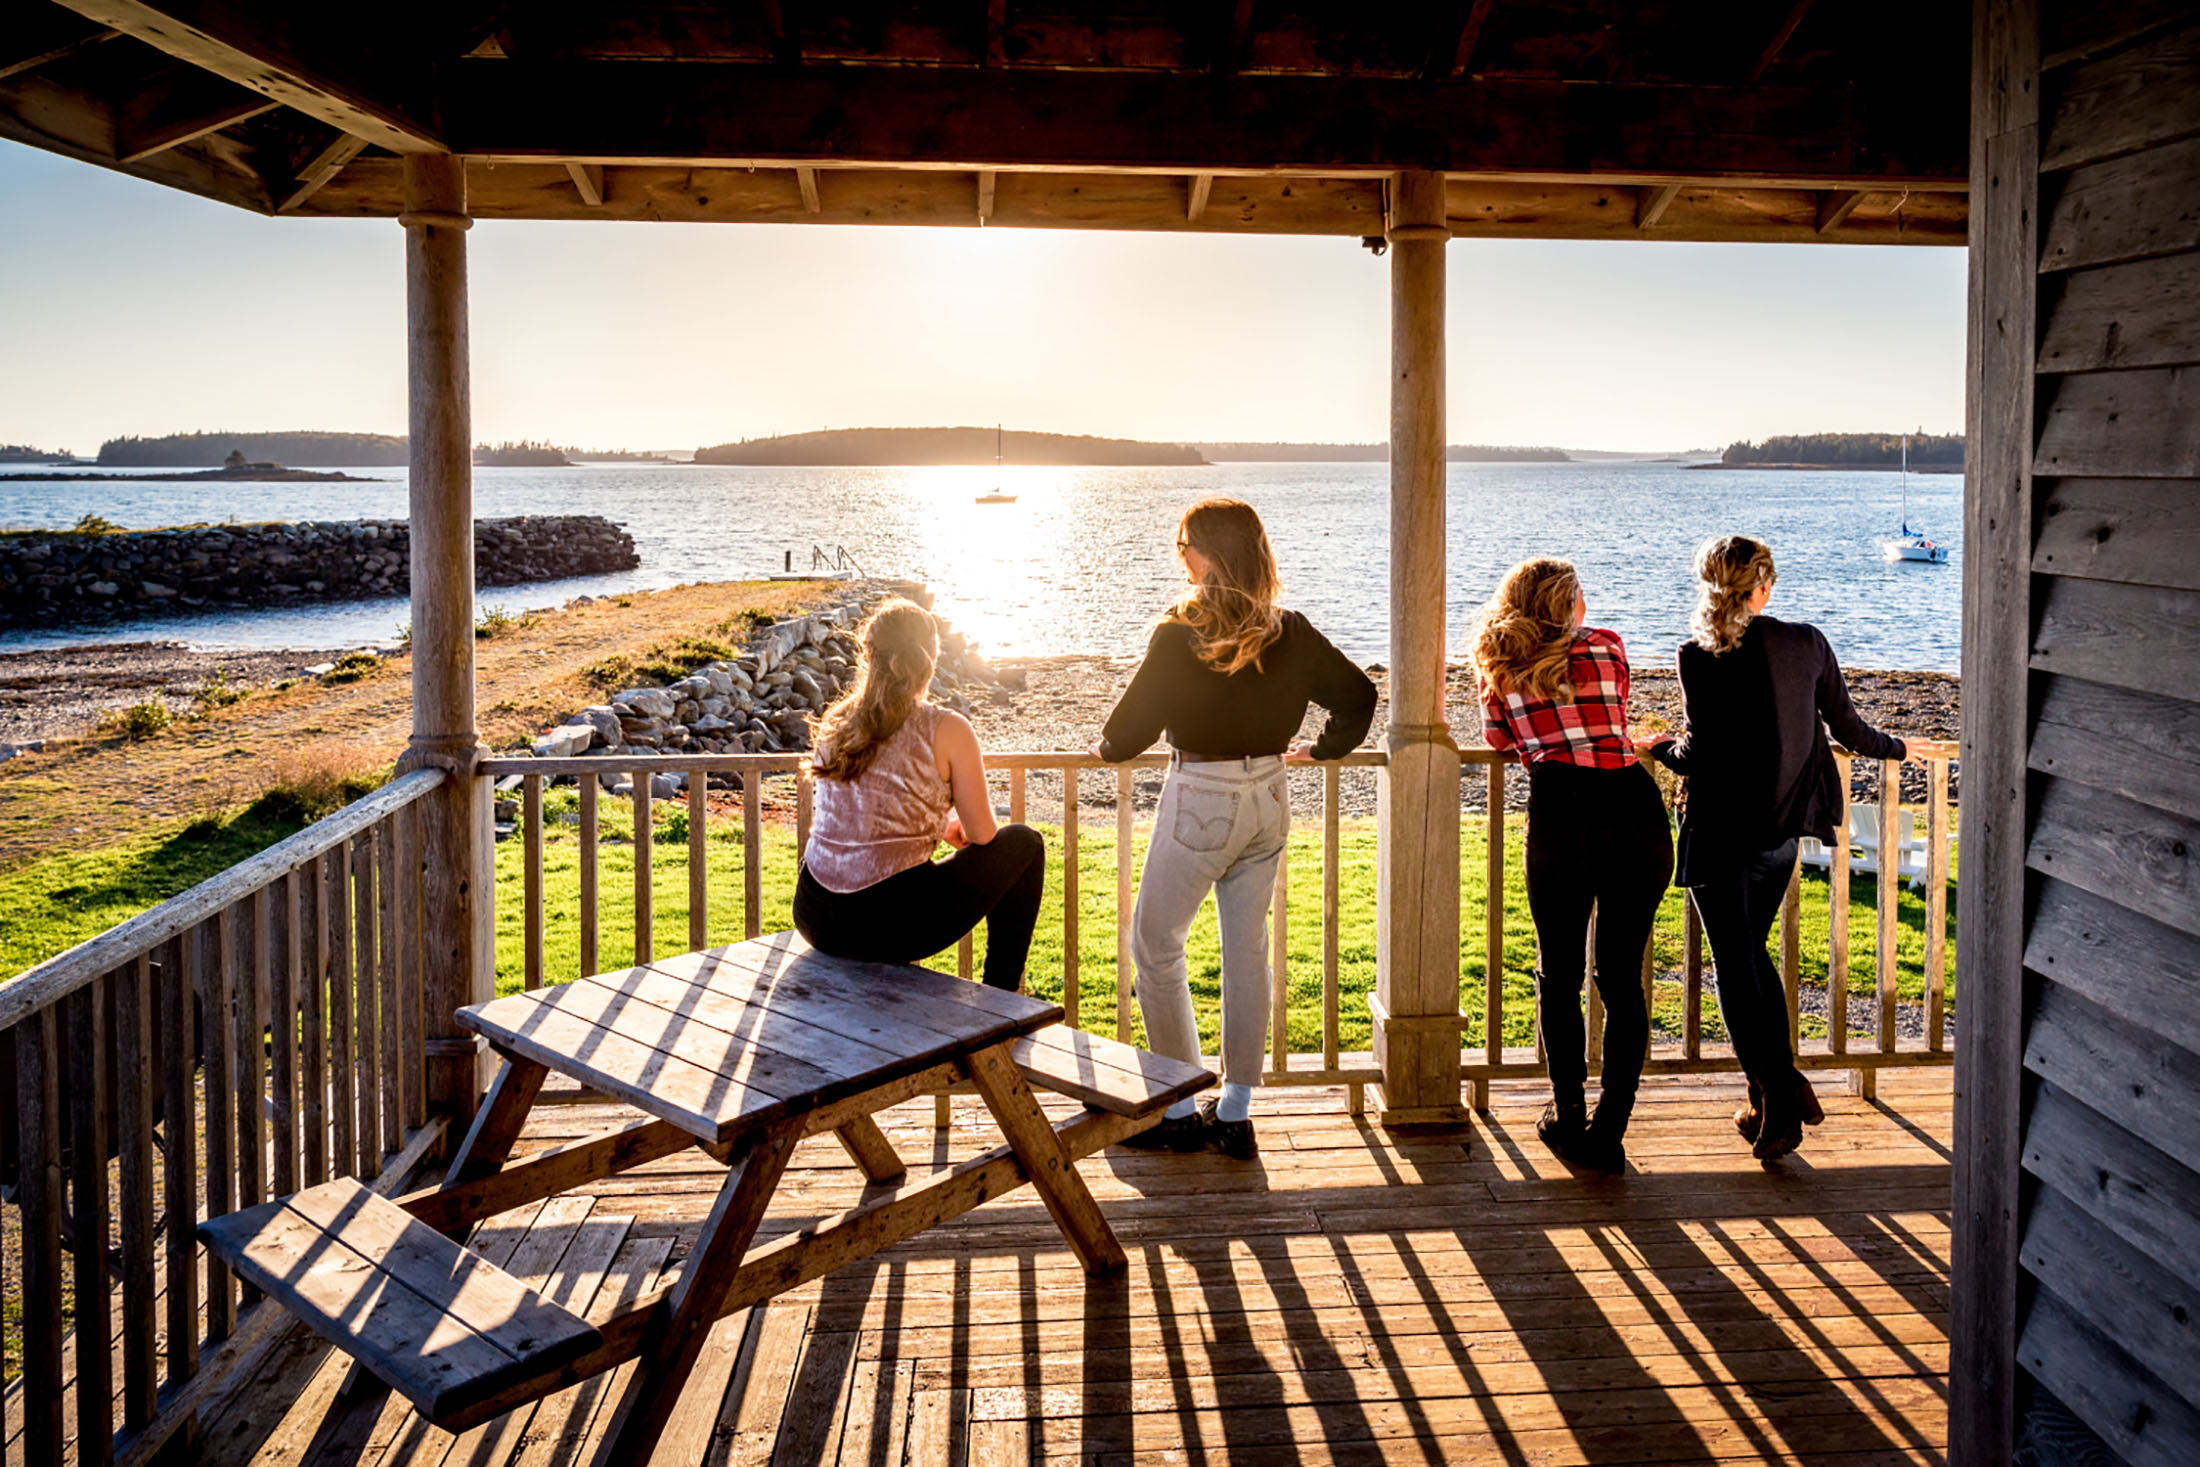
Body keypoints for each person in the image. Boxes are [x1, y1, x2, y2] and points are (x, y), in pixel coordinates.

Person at [1093, 498, 1376, 1159]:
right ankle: (1238, 1110)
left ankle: (1180, 1108)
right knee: (1247, 951)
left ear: (1212, 553)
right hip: (1269, 795)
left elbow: (1127, 731)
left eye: (1184, 542)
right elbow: (1359, 696)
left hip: (1203, 797)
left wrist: (1105, 750)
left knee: (1155, 944)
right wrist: (1328, 748)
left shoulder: (1178, 634)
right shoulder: (1291, 630)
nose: (1179, 555)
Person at [1645, 536, 1934, 1159]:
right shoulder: (1807, 642)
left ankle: (1779, 1094)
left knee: (1737, 964)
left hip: (1721, 830)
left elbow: (1699, 753)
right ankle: (1773, 1096)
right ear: (1764, 584)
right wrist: (1904, 748)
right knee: (1753, 960)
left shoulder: (1698, 655)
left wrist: (1656, 748)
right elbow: (1850, 730)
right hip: (1780, 831)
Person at [1473, 559, 1672, 1176]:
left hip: (1563, 814)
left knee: (1559, 975)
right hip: (1634, 811)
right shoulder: (1607, 647)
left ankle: (1567, 1114)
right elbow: (1613, 715)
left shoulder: (1500, 667)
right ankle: (1608, 1131)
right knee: (1619, 979)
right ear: (1571, 603)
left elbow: (1498, 740)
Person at [793, 597, 1046, 991]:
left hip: (816, 915)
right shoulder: (945, 727)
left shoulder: (839, 720)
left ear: (868, 655)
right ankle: (1003, 994)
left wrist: (938, 822)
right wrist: (951, 824)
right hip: (887, 924)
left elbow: (864, 806)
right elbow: (982, 836)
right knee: (1024, 844)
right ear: (931, 656)